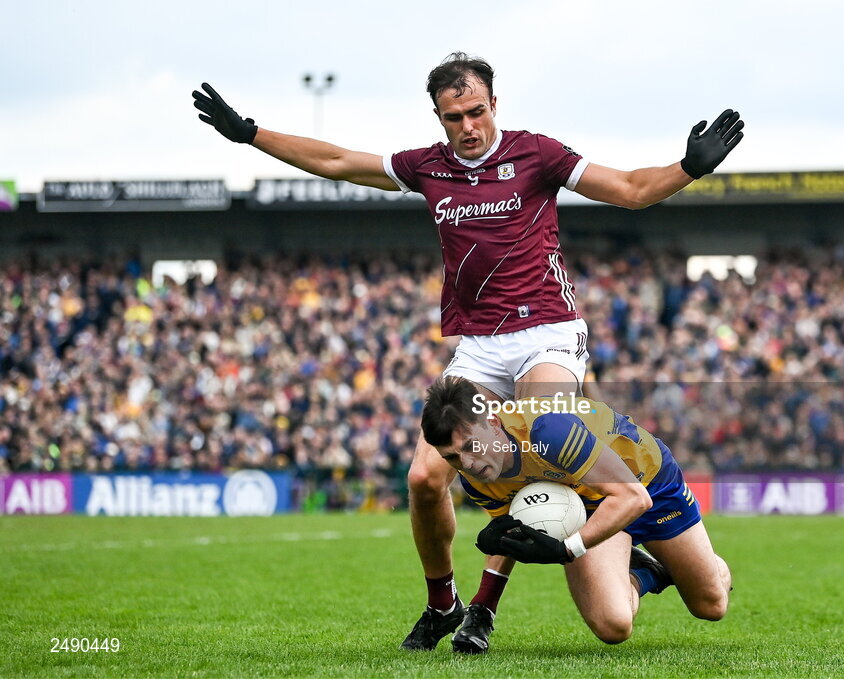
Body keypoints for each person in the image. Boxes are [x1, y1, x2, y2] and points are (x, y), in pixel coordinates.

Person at [192, 52, 743, 654]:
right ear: (439, 116)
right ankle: (444, 604)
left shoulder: (537, 154)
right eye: (454, 117)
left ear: (494, 105)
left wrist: (689, 166)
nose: (468, 127)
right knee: (425, 476)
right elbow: (336, 161)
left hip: (548, 332)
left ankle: (488, 607)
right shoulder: (426, 167)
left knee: (540, 443)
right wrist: (249, 134)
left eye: (477, 111)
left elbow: (632, 191)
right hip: (479, 347)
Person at [420, 375, 732, 647]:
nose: (468, 464)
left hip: (648, 484)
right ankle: (650, 571)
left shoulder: (548, 431)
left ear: (492, 422)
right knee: (614, 626)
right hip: (588, 504)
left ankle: (695, 564)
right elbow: (516, 525)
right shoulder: (477, 478)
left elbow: (633, 499)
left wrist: (568, 548)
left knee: (711, 606)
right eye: (452, 458)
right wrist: (501, 545)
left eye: (471, 447)